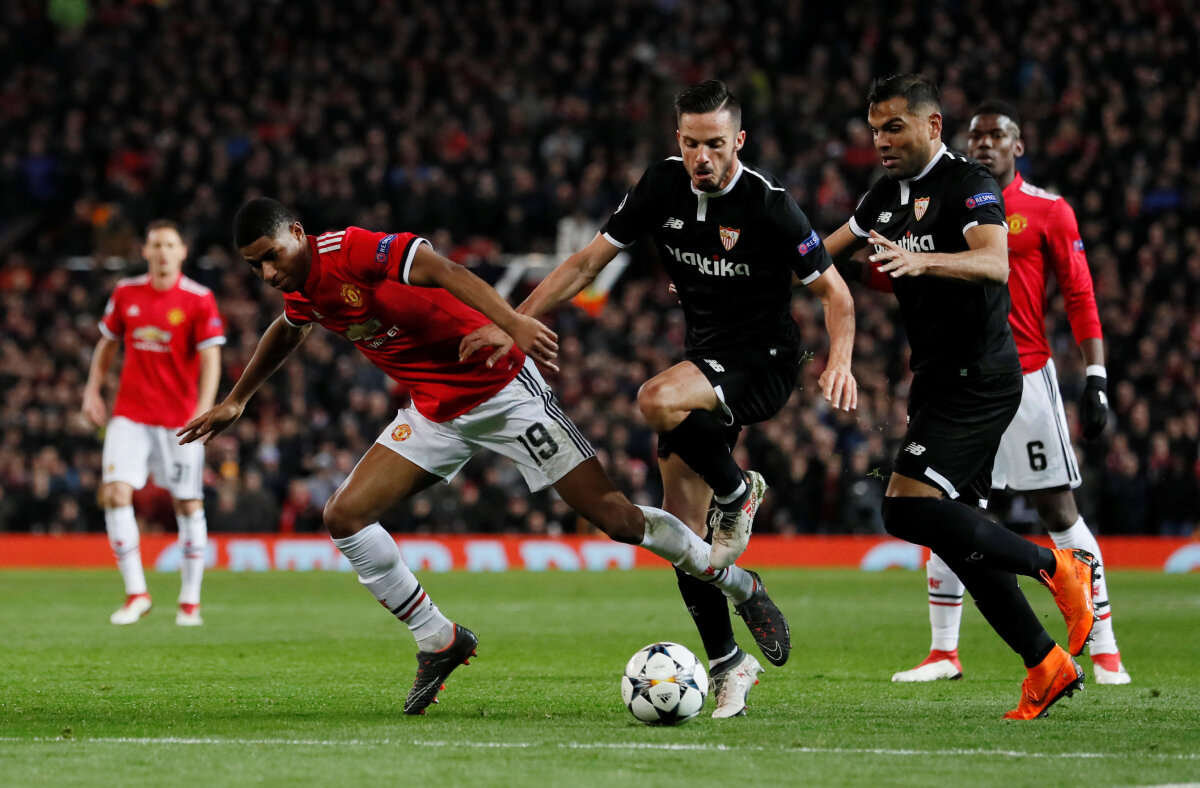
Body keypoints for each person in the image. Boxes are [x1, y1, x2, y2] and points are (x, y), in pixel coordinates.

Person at [178, 197, 789, 716]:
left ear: (297, 234)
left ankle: (739, 583)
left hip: (503, 391)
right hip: (434, 411)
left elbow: (443, 270)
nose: (266, 273)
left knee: (621, 522)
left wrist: (513, 322)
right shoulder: (304, 286)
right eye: (254, 266)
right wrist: (236, 400)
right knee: (343, 517)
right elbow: (289, 326)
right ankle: (438, 639)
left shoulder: (349, 250)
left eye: (271, 257)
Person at [462, 80, 858, 718]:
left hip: (764, 363)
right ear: (679, 140)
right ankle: (731, 658)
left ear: (740, 143)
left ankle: (739, 492)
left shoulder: (770, 205)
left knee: (653, 399)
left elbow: (835, 295)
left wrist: (839, 360)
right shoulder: (661, 186)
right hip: (704, 360)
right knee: (677, 529)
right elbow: (585, 264)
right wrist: (513, 321)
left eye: (717, 145)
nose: (704, 158)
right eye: (693, 143)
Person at [821, 74, 1097, 720]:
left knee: (905, 511)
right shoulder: (884, 196)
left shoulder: (969, 185)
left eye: (894, 127)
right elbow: (823, 256)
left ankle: (1056, 565)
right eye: (874, 129)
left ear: (932, 126)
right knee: (961, 540)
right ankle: (1046, 664)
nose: (881, 141)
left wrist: (926, 262)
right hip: (938, 378)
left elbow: (994, 263)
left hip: (983, 377)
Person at [890, 101, 1130, 686]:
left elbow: (1079, 294)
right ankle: (944, 652)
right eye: (978, 136)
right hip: (957, 380)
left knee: (1055, 508)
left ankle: (1104, 649)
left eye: (998, 135)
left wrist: (1095, 378)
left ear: (1018, 146)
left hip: (1025, 379)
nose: (986, 144)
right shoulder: (948, 202)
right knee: (943, 512)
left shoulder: (1047, 211)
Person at [82, 220, 225, 627]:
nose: (162, 251)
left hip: (178, 420)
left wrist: (205, 410)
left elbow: (211, 358)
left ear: (182, 251)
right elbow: (107, 345)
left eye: (170, 245)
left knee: (187, 503)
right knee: (113, 493)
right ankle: (136, 593)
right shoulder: (126, 293)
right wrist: (93, 391)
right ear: (145, 251)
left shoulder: (199, 299)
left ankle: (190, 601)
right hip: (130, 414)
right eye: (155, 244)